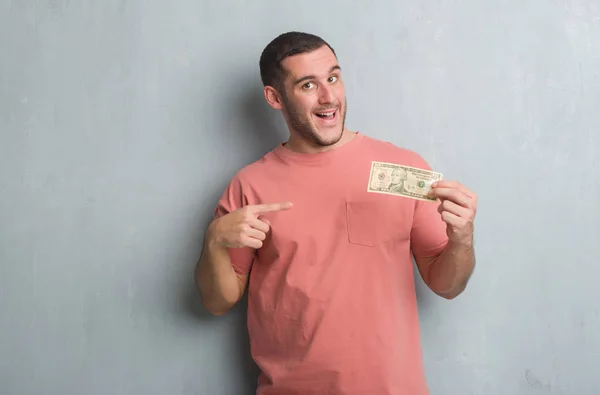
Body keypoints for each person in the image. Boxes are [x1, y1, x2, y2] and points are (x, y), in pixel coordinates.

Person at [195, 31, 478, 395]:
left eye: (333, 77)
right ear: (275, 97)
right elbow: (217, 301)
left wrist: (462, 240)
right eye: (308, 85)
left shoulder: (402, 168)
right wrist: (215, 240)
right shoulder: (250, 186)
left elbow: (447, 285)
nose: (329, 96)